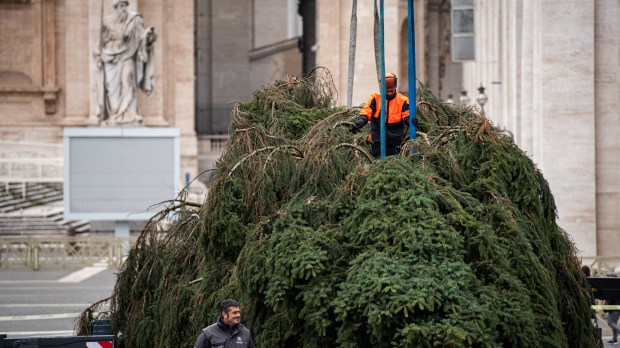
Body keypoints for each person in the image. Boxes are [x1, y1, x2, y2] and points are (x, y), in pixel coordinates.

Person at [94, 0, 156, 126]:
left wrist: (149, 36)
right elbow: (101, 41)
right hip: (110, 57)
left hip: (127, 55)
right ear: (115, 7)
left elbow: (141, 36)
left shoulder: (134, 20)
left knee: (128, 82)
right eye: (121, 6)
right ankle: (115, 114)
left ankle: (129, 114)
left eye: (125, 6)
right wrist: (97, 52)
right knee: (111, 89)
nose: (124, 9)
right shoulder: (107, 21)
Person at [350, 73, 410, 158]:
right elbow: (367, 111)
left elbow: (407, 115)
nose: (389, 93)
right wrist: (361, 120)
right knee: (377, 163)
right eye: (386, 91)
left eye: (391, 91)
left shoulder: (403, 100)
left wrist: (410, 121)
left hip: (395, 142)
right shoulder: (375, 98)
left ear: (395, 88)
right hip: (377, 140)